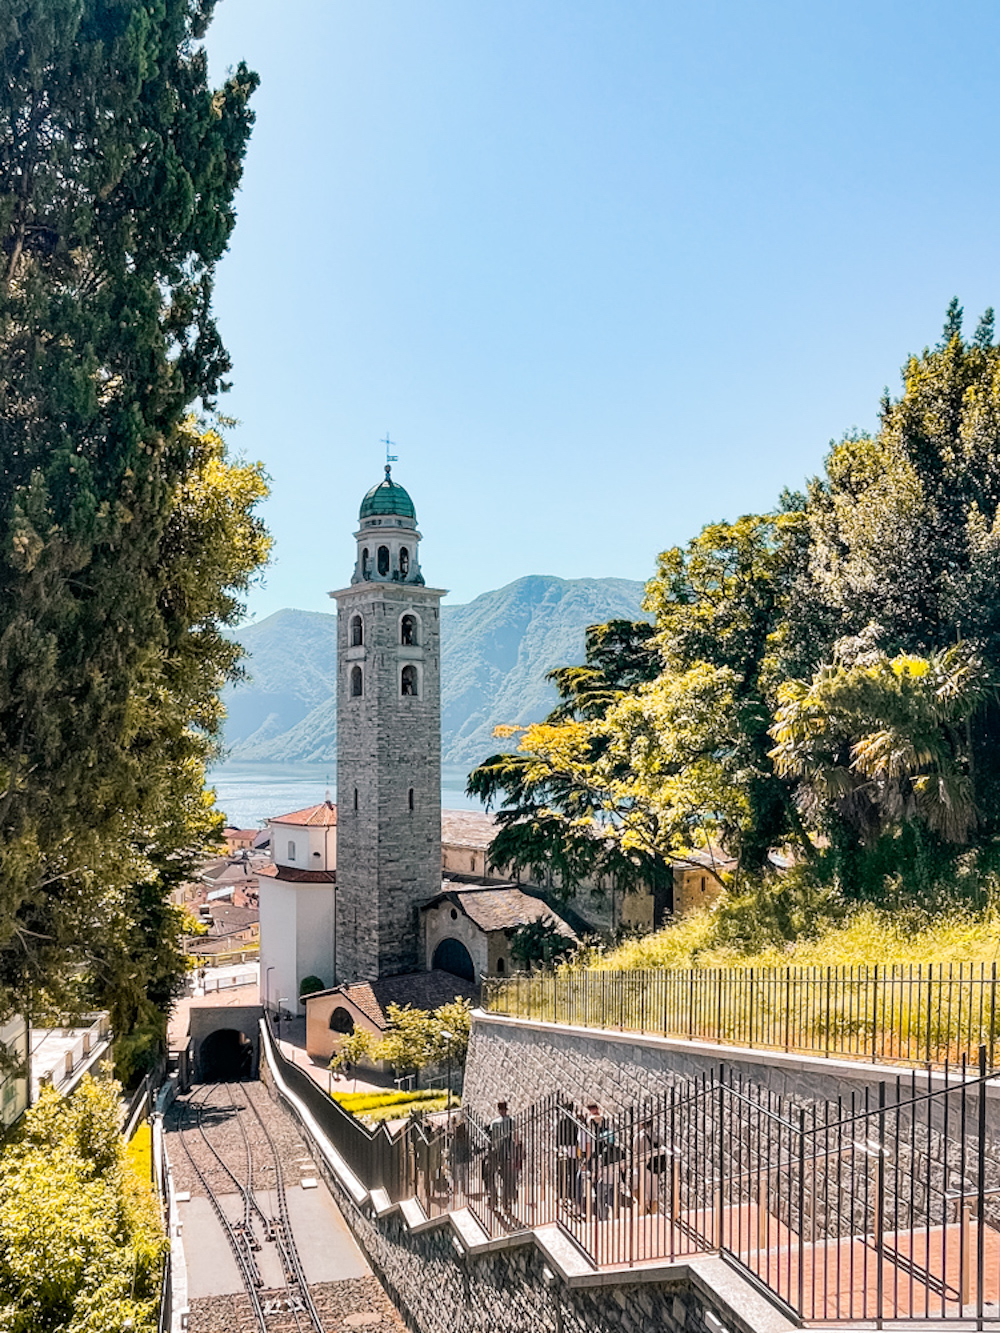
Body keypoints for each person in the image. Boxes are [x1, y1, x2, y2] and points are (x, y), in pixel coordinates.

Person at [488, 1099, 520, 1215]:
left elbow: (492, 1139)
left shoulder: (494, 1123)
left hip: (498, 1153)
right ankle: (507, 1203)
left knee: (493, 1176)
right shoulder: (512, 1121)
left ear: (498, 1109)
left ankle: (494, 1200)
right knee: (508, 1179)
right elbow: (516, 1139)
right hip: (509, 1153)